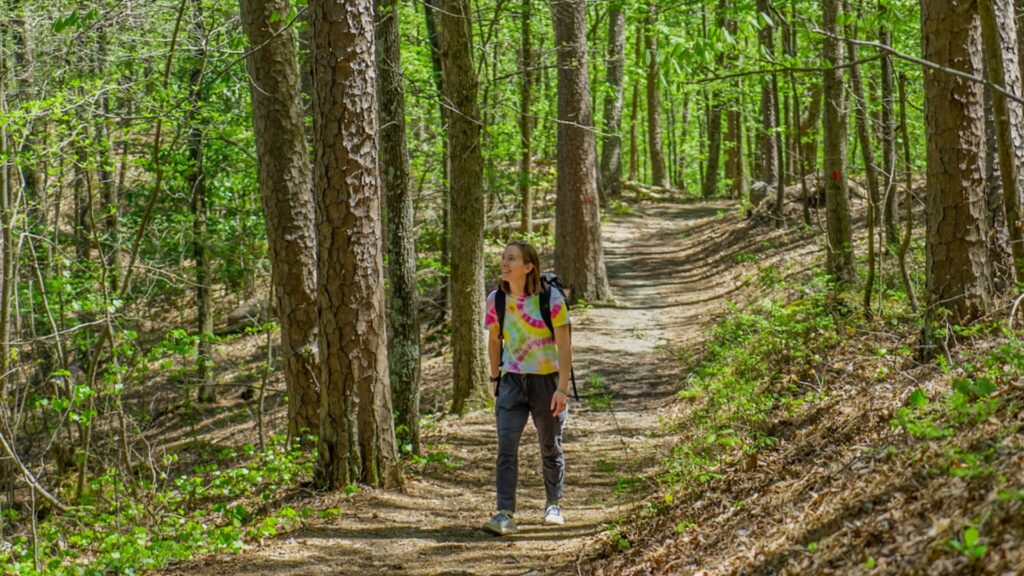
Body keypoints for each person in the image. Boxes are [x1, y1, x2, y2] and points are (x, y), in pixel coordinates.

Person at [482, 241, 572, 536]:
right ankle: (504, 513)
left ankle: (553, 504)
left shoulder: (551, 299)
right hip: (511, 382)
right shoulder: (496, 299)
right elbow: (495, 340)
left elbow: (564, 345)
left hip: (546, 381)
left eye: (512, 259)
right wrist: (495, 378)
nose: (504, 263)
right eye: (503, 258)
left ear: (529, 266)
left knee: (549, 444)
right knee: (506, 447)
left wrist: (562, 389)